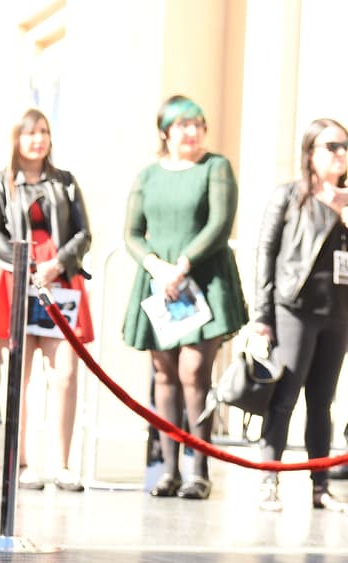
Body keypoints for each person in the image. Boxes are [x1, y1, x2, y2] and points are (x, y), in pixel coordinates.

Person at [121, 95, 248, 500]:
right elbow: (132, 233)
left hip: (204, 280)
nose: (192, 132)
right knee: (164, 374)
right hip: (161, 281)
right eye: (183, 125)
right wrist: (156, 266)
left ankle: (200, 467)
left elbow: (219, 222)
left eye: (198, 124)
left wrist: (184, 263)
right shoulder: (148, 176)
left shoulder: (216, 167)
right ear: (166, 132)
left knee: (194, 371)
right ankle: (168, 469)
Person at [0, 108, 93, 491]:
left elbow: (84, 233)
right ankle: (19, 462)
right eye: (30, 133)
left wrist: (57, 264)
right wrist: (26, 265)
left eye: (44, 132)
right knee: (17, 377)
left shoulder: (66, 182)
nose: (38, 139)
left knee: (65, 375)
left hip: (59, 280)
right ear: (17, 140)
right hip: (12, 279)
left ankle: (62, 464)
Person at [251, 118, 348, 512]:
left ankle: (319, 485)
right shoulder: (290, 197)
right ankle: (269, 480)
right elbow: (266, 252)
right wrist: (262, 313)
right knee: (284, 395)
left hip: (338, 312)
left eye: (344, 146)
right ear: (310, 152)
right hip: (295, 308)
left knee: (322, 401)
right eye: (332, 146)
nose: (341, 153)